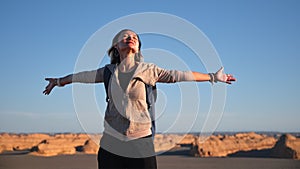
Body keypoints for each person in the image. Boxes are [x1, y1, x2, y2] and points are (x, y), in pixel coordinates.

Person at [43, 29, 236, 169]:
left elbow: (181, 75)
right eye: (125, 37)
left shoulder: (148, 70)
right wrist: (58, 81)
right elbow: (81, 76)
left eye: (134, 37)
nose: (130, 38)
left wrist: (213, 77)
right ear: (116, 46)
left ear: (137, 47)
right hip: (111, 143)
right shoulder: (108, 71)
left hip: (140, 142)